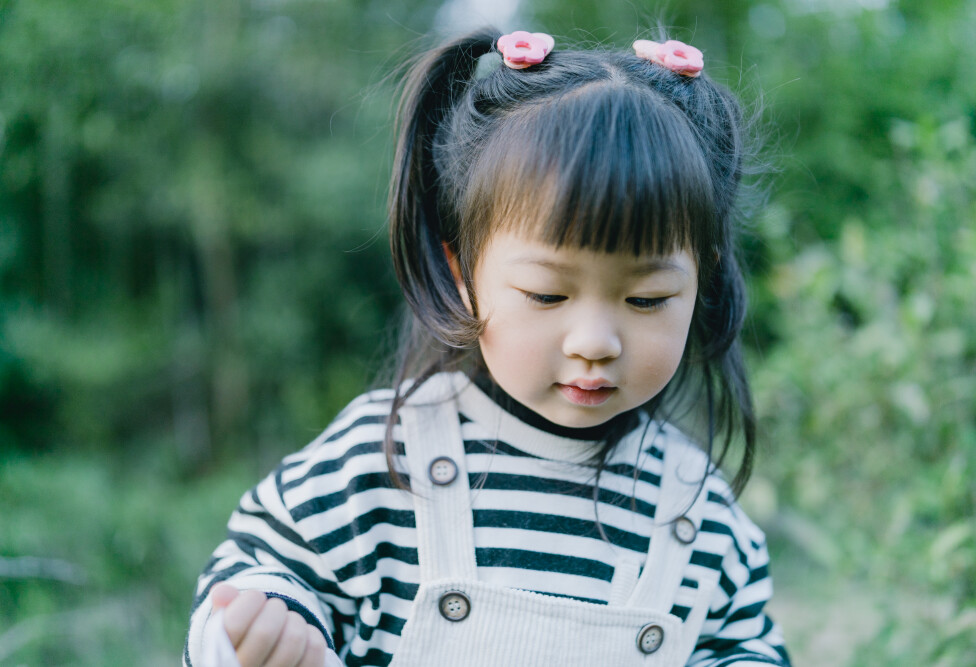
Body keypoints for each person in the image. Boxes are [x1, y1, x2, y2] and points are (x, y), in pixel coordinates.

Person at [184, 27, 791, 667]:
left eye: (645, 301)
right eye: (547, 295)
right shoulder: (384, 462)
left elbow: (746, 649)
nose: (595, 342)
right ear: (463, 274)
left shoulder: (700, 518)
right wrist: (258, 633)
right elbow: (254, 573)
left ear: (703, 280)